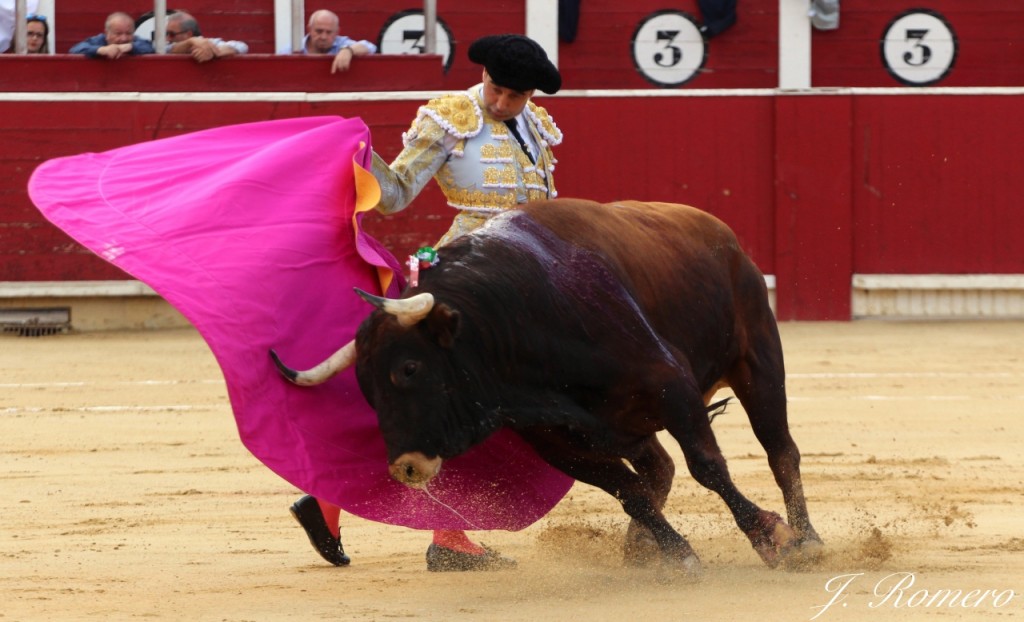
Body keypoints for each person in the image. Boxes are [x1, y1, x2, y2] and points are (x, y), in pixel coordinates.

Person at [290, 33, 565, 572]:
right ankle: (444, 536)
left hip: (523, 273)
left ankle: (326, 504)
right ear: (483, 76)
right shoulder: (451, 116)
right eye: (496, 89)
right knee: (446, 400)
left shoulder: (536, 124)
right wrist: (353, 159)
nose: (502, 102)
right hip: (465, 269)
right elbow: (393, 197)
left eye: (516, 95)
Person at [300, 9, 376, 74]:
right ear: (309, 29)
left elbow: (370, 47)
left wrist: (348, 50)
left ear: (337, 32)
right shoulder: (292, 49)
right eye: (319, 31)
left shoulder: (341, 43)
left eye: (329, 32)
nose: (324, 37)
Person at [164, 11, 248, 62]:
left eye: (171, 34)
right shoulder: (165, 45)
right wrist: (191, 41)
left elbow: (242, 46)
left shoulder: (207, 44)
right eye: (166, 34)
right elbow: (167, 49)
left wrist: (214, 51)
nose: (167, 38)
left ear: (188, 34)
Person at [69, 11, 155, 58]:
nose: (124, 39)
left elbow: (149, 47)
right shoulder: (99, 40)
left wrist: (131, 47)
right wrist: (101, 50)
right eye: (118, 34)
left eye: (128, 33)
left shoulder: (136, 40)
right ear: (107, 33)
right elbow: (75, 49)